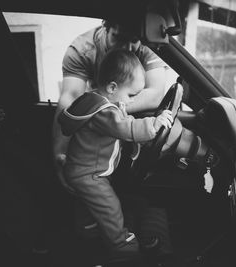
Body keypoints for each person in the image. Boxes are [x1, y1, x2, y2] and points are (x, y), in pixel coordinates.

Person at [57, 49, 173, 258]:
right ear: (112, 87)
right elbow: (125, 128)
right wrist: (154, 124)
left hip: (79, 170)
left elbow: (119, 118)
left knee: (87, 202)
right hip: (89, 176)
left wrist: (122, 107)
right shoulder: (104, 112)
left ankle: (86, 228)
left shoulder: (94, 101)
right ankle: (122, 246)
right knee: (110, 206)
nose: (130, 102)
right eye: (131, 95)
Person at [53, 19, 167, 190]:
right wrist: (59, 153)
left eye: (134, 40)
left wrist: (110, 111)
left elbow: (155, 94)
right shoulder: (82, 50)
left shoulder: (146, 44)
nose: (127, 48)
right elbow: (71, 98)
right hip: (95, 133)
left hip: (116, 121)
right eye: (119, 37)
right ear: (105, 26)